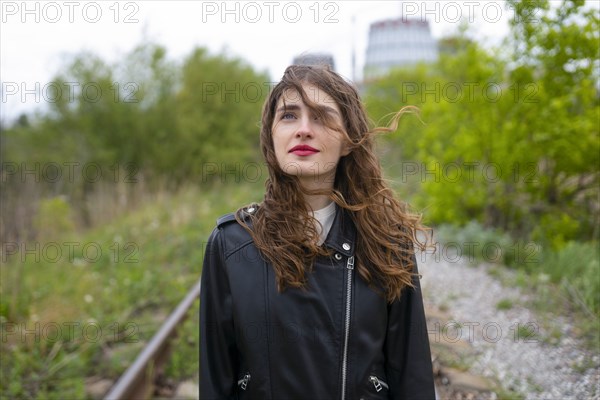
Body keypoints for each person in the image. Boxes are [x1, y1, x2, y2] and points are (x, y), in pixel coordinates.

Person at [200, 65, 435, 399]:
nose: (304, 130)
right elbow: (215, 379)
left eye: (322, 116)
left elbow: (413, 376)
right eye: (289, 116)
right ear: (271, 135)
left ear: (348, 141)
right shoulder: (232, 244)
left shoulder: (387, 241)